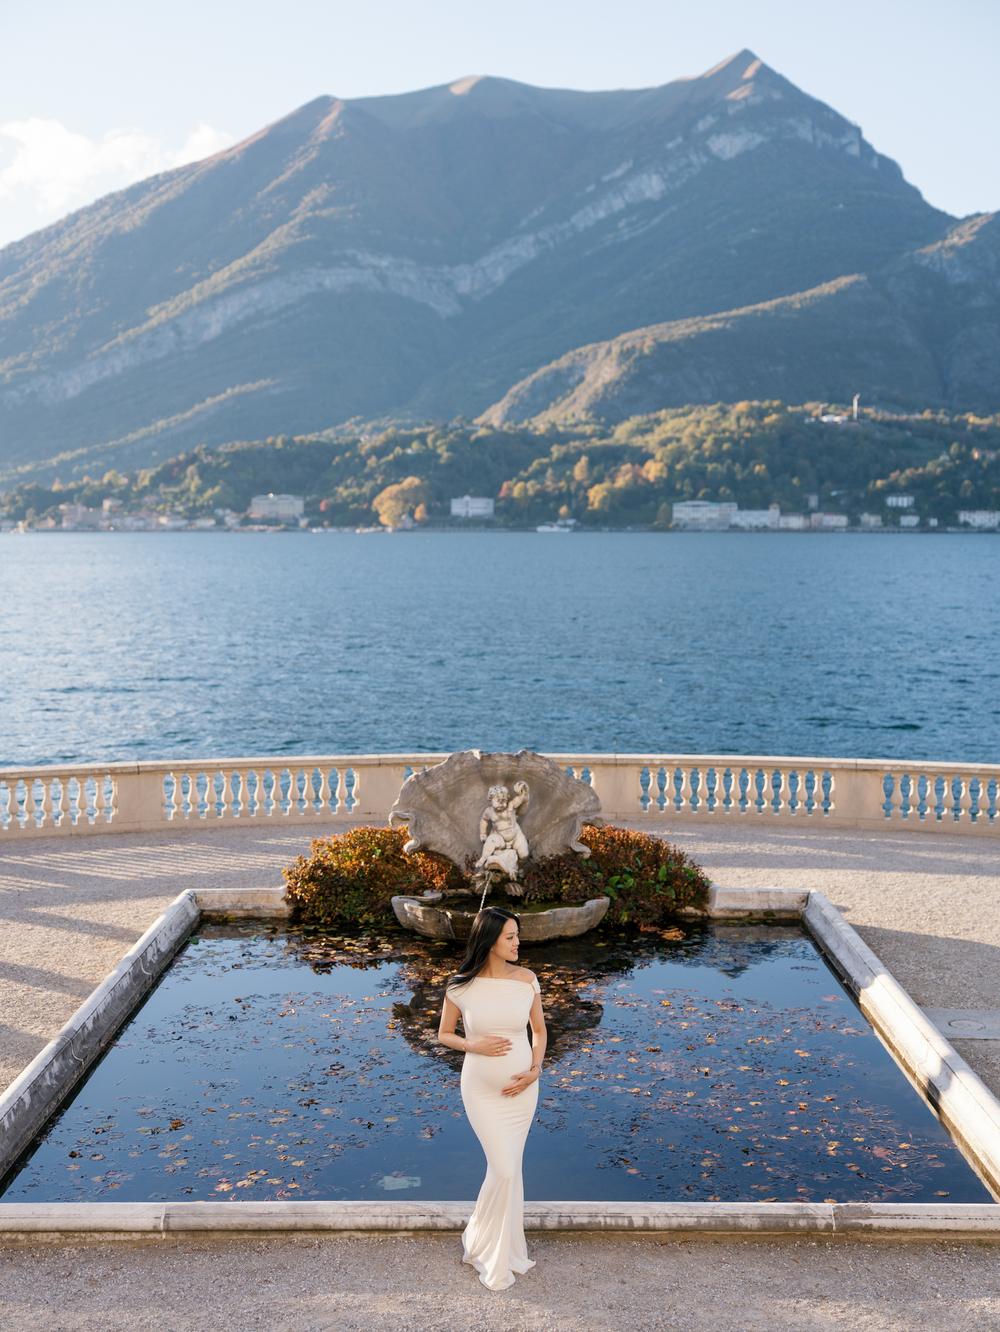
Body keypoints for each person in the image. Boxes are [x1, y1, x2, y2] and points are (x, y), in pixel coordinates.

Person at [437, 907, 547, 1291]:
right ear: (490, 941)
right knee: (503, 1168)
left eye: (517, 935)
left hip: (522, 1091)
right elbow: (444, 1034)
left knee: (509, 1168)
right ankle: (485, 1242)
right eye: (510, 937)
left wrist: (535, 1070)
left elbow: (539, 1032)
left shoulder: (527, 980)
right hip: (481, 1091)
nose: (518, 943)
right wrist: (473, 1045)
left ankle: (499, 1246)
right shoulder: (460, 986)